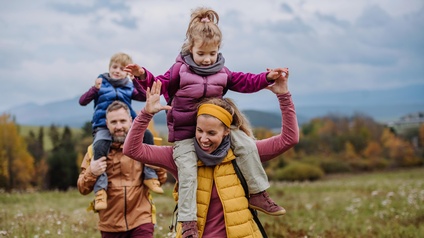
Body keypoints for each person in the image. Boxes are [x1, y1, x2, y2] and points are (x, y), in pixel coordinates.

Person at [125, 7, 288, 232]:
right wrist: (143, 75)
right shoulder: (178, 71)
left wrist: (266, 78)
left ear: (218, 50)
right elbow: (158, 85)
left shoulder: (223, 72)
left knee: (247, 145)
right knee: (188, 172)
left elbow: (245, 81)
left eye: (212, 54)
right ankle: (189, 221)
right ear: (190, 48)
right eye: (201, 54)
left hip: (216, 127)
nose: (207, 59)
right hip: (185, 134)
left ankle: (258, 193)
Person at [123, 69, 298, 238]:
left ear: (226, 131)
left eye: (211, 133)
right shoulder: (181, 156)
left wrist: (283, 95)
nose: (203, 139)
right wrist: (146, 114)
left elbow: (289, 139)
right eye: (199, 130)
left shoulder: (245, 153)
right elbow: (132, 149)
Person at [79, 52, 163, 211]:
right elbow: (83, 101)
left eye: (122, 69)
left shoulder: (128, 86)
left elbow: (142, 96)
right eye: (114, 67)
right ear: (109, 68)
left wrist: (137, 81)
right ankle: (101, 191)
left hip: (127, 124)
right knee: (99, 148)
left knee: (148, 135)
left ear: (127, 72)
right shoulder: (101, 83)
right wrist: (93, 89)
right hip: (103, 125)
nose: (117, 71)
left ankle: (150, 176)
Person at [77, 100, 167, 238]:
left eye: (122, 121)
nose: (119, 126)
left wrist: (156, 165)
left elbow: (162, 179)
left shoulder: (142, 147)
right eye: (114, 122)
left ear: (131, 121)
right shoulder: (94, 151)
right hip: (110, 224)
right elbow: (82, 188)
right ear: (107, 124)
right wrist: (92, 172)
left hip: (141, 220)